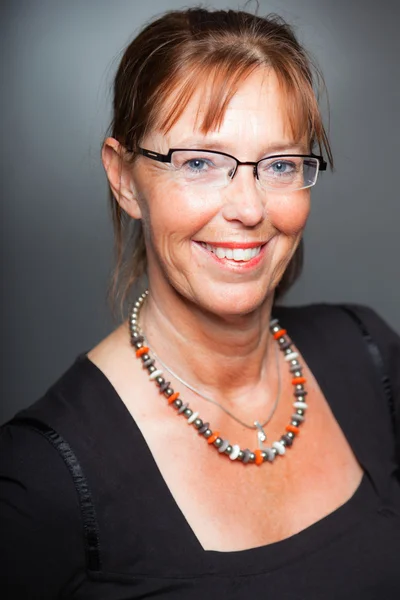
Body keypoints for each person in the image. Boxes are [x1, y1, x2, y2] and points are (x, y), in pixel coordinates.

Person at [1, 6, 399, 599]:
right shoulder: (39, 479)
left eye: (281, 164)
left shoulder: (368, 355)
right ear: (125, 179)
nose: (249, 208)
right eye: (199, 163)